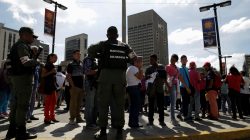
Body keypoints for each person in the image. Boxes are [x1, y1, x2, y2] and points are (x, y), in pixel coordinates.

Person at [88, 26, 136, 140]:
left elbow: (90, 50)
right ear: (117, 35)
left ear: (107, 35)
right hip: (120, 78)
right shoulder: (125, 46)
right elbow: (133, 57)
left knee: (103, 105)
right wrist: (125, 59)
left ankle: (103, 133)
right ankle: (119, 132)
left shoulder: (103, 44)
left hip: (105, 78)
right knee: (120, 105)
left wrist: (100, 55)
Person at [5, 27, 38, 139]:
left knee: (15, 106)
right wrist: (37, 62)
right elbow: (25, 62)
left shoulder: (16, 46)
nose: (33, 38)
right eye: (31, 36)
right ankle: (21, 132)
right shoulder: (22, 46)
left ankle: (12, 131)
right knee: (22, 106)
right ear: (24, 35)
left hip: (16, 79)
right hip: (23, 80)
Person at [166, 54, 190, 126]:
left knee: (173, 102)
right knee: (173, 103)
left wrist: (186, 87)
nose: (171, 60)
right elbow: (165, 77)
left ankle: (173, 118)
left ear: (176, 61)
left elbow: (180, 78)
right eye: (171, 59)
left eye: (173, 59)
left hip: (176, 86)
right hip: (171, 86)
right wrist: (167, 86)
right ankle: (172, 119)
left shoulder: (177, 68)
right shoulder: (168, 67)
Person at [145, 54, 166, 127]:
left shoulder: (161, 67)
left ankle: (162, 121)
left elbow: (164, 77)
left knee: (161, 106)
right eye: (150, 60)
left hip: (160, 88)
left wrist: (160, 77)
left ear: (156, 59)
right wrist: (151, 76)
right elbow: (145, 78)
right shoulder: (148, 69)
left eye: (151, 60)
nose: (150, 61)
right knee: (150, 106)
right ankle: (150, 121)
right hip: (151, 89)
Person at [67, 50, 84, 124]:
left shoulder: (81, 63)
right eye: (77, 54)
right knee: (73, 103)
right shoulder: (71, 64)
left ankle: (78, 117)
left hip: (81, 86)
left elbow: (83, 75)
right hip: (74, 86)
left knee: (79, 103)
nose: (79, 55)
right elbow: (69, 76)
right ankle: (72, 119)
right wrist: (73, 86)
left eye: (79, 54)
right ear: (73, 55)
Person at [126, 56, 144, 128]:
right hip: (134, 88)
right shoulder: (134, 68)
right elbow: (140, 77)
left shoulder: (130, 68)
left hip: (131, 87)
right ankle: (134, 123)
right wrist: (140, 69)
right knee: (136, 106)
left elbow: (140, 77)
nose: (141, 63)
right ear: (136, 62)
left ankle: (131, 122)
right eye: (140, 62)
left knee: (133, 106)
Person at [42, 53, 59, 124]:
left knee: (53, 102)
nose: (56, 59)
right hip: (48, 87)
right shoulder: (47, 65)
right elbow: (43, 75)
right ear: (50, 57)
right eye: (55, 57)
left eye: (56, 57)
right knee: (48, 103)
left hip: (52, 86)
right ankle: (47, 118)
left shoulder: (51, 65)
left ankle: (52, 117)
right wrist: (51, 72)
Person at [83, 55, 99, 129]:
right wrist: (98, 70)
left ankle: (93, 122)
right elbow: (87, 72)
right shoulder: (88, 60)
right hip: (90, 85)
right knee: (90, 105)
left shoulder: (94, 59)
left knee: (96, 105)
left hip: (95, 85)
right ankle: (89, 124)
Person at [26, 46, 40, 123]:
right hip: (29, 82)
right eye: (34, 50)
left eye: (37, 51)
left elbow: (38, 72)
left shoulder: (37, 60)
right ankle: (26, 116)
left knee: (33, 100)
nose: (36, 52)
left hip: (36, 82)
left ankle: (30, 114)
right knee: (28, 100)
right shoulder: (28, 59)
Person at [177, 55, 192, 122]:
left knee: (186, 102)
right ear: (181, 61)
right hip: (183, 87)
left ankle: (180, 114)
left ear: (187, 60)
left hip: (187, 87)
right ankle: (185, 117)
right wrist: (187, 88)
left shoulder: (186, 68)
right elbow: (181, 79)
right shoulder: (180, 69)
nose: (184, 60)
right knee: (185, 102)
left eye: (185, 59)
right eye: (183, 59)